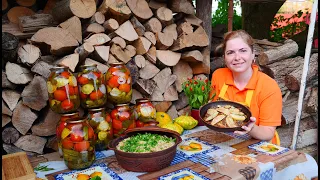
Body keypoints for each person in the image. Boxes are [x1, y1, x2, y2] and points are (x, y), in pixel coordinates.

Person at [210, 30, 282, 145]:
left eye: (243, 51)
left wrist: (251, 128)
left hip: (260, 146)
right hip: (225, 142)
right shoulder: (218, 76)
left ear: (253, 54)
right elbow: (214, 110)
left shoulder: (269, 86)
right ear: (224, 57)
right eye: (230, 52)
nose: (237, 57)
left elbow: (268, 132)